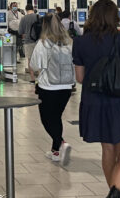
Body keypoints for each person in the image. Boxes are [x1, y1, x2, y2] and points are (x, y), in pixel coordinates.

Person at [73, 0, 120, 198]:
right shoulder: (119, 38)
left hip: (94, 102)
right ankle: (116, 191)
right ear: (115, 17)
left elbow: (80, 78)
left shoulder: (80, 42)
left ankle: (113, 192)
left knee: (108, 151)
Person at [29, 13, 75, 164]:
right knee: (56, 118)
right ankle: (55, 152)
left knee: (46, 119)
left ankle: (61, 143)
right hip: (66, 87)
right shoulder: (69, 42)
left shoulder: (43, 43)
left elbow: (35, 65)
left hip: (48, 86)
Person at [18, 4, 40, 82]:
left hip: (28, 41)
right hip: (38, 41)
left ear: (26, 10)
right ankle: (40, 77)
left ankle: (32, 78)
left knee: (30, 60)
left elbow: (20, 31)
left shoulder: (24, 18)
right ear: (33, 9)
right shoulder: (38, 17)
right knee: (39, 59)